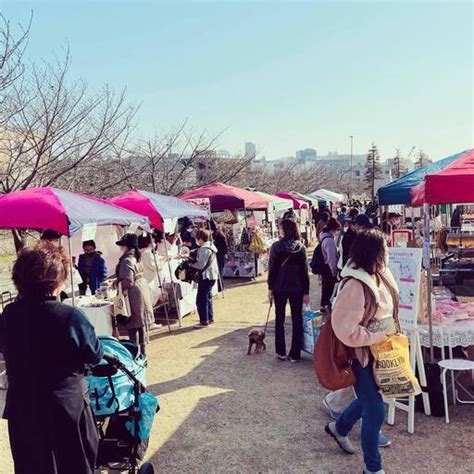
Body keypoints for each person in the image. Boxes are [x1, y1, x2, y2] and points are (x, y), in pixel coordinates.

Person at [0, 243, 103, 474]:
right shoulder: (69, 315)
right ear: (55, 280)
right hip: (64, 407)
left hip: (23, 408)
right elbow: (94, 355)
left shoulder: (8, 315)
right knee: (72, 464)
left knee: (32, 465)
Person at [325, 228, 399, 474]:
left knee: (370, 400)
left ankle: (340, 427)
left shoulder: (380, 274)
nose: (388, 251)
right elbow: (344, 328)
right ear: (376, 252)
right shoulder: (355, 284)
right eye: (385, 247)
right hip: (361, 354)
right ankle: (373, 468)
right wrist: (376, 335)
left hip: (381, 350)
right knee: (376, 408)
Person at [267, 219, 310, 362]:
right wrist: (306, 291)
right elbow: (304, 272)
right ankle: (295, 353)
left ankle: (281, 351)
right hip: (297, 288)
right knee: (297, 319)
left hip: (279, 288)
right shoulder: (301, 248)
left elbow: (272, 269)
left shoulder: (276, 247)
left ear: (283, 230)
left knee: (279, 319)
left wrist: (270, 287)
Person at [115, 233, 154, 355]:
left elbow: (127, 281)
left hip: (133, 293)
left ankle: (135, 354)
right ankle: (142, 353)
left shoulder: (127, 259)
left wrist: (117, 285)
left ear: (126, 246)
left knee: (133, 325)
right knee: (140, 324)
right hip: (141, 289)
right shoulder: (135, 257)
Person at [189, 229, 219, 326]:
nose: (196, 241)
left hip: (206, 276)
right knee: (208, 297)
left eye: (197, 239)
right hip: (212, 275)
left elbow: (201, 265)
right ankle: (209, 317)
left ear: (200, 239)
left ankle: (204, 320)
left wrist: (190, 265)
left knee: (201, 299)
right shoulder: (211, 246)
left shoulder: (204, 249)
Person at [319, 217, 340, 312]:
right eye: (336, 230)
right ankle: (325, 305)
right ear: (333, 229)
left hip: (324, 267)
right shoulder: (329, 241)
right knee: (328, 288)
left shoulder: (323, 237)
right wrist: (334, 271)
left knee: (325, 287)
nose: (336, 232)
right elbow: (331, 258)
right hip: (328, 268)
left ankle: (324, 304)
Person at [210, 221, 229, 290]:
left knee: (219, 271)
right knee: (218, 271)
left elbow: (225, 247)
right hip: (217, 255)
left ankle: (220, 287)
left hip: (219, 255)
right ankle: (219, 287)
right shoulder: (215, 235)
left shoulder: (220, 236)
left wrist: (223, 253)